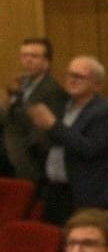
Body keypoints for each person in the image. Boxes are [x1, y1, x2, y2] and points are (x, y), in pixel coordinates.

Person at [31, 55, 108, 224]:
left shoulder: (105, 111)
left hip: (87, 195)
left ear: (96, 84)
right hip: (55, 191)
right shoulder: (61, 105)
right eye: (69, 75)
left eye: (79, 76)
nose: (72, 80)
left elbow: (92, 149)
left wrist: (53, 125)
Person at [2, 37, 66, 182]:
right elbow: (9, 118)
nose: (28, 60)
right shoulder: (21, 83)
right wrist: (8, 98)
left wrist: (20, 148)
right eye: (24, 56)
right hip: (11, 155)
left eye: (34, 56)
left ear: (47, 62)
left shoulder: (52, 89)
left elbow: (48, 132)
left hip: (31, 160)